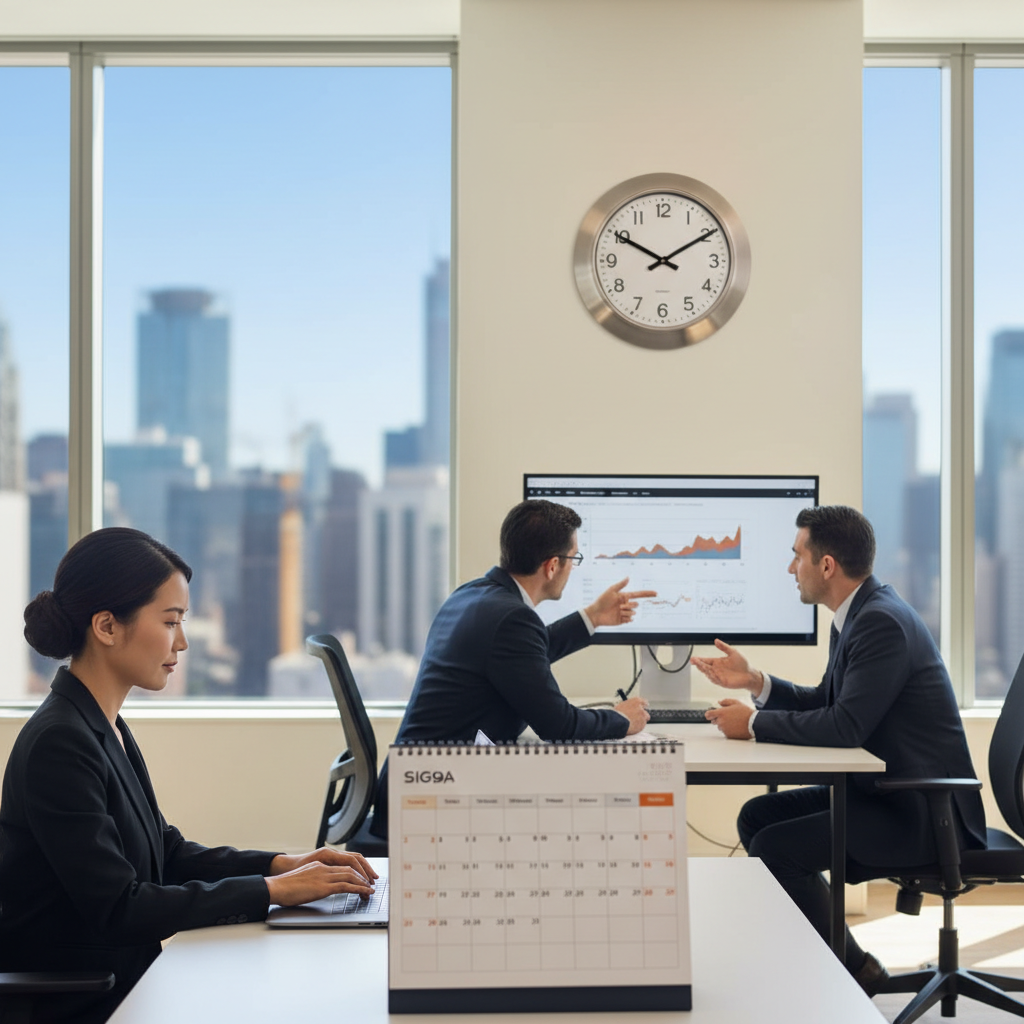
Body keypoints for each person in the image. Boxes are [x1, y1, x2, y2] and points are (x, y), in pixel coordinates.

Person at [0, 528, 378, 1024]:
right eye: (170, 621)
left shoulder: (100, 723)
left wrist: (286, 865)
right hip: (89, 1001)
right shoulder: (60, 741)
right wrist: (273, 892)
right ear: (107, 627)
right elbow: (120, 907)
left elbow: (167, 852)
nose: (181, 642)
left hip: (130, 981)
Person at [691, 505, 985, 993]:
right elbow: (829, 702)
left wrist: (756, 725)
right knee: (757, 817)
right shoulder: (858, 615)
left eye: (796, 556)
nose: (791, 569)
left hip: (921, 810)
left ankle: (854, 973)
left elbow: (844, 726)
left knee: (774, 848)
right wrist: (757, 683)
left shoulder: (881, 623)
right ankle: (834, 964)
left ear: (826, 565)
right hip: (886, 793)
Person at [370, 499, 653, 838]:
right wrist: (620, 718)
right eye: (574, 558)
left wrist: (592, 617)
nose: (573, 567)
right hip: (431, 797)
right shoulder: (511, 619)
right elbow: (559, 725)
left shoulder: (474, 595)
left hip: (414, 782)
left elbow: (523, 658)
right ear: (552, 566)